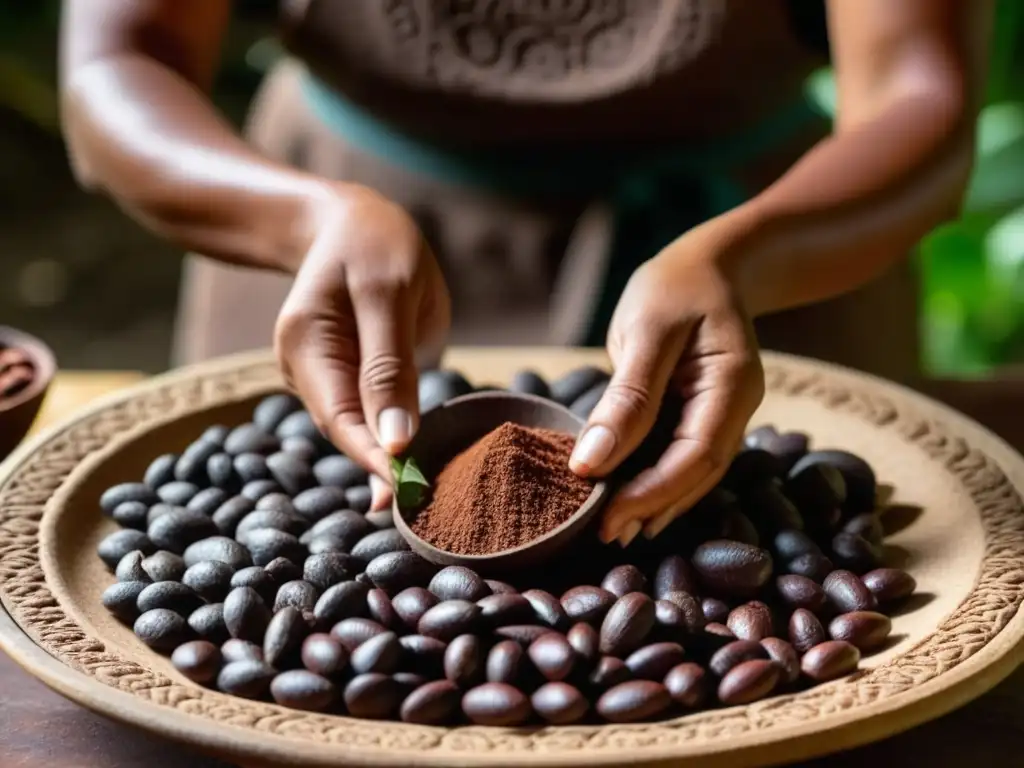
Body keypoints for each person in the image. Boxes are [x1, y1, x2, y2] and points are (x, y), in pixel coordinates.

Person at [59, 0, 992, 545]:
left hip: (764, 260)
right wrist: (300, 216)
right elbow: (116, 61)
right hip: (334, 256)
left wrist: (749, 257)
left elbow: (920, 94)